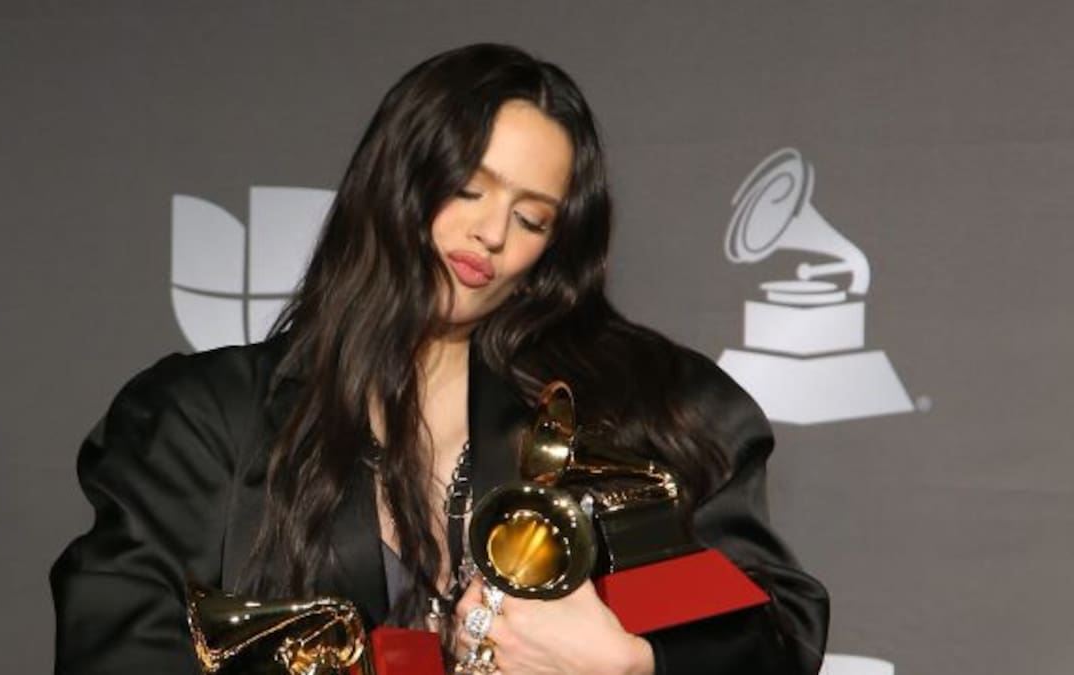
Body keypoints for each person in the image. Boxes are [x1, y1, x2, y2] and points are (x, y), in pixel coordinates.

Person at [50, 43, 829, 674]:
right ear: (396, 177)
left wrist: (633, 662)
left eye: (530, 217)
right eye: (468, 188)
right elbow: (119, 641)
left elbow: (761, 628)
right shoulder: (204, 420)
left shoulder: (631, 417)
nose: (492, 233)